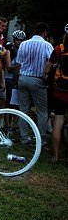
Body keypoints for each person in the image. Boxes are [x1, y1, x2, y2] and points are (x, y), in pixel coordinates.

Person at [14, 22, 53, 144]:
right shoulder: (46, 45)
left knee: (23, 109)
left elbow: (17, 64)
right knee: (42, 111)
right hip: (38, 79)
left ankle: (24, 137)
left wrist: (16, 81)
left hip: (23, 78)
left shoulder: (24, 44)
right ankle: (40, 138)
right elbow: (52, 62)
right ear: (45, 33)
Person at [44, 24, 68, 162]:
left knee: (58, 123)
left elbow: (47, 70)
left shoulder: (59, 49)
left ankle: (56, 156)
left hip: (59, 92)